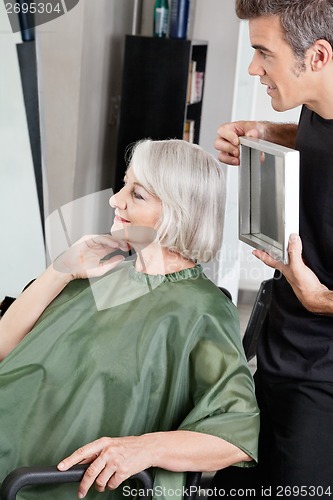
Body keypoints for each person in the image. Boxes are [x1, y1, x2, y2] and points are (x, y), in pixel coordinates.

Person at [0, 139, 259, 500]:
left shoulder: (200, 309)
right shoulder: (98, 271)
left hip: (42, 483)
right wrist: (58, 272)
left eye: (137, 195)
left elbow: (238, 434)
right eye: (124, 184)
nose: (115, 199)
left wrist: (144, 449)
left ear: (178, 212)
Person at [213, 0, 333, 497]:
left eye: (264, 53)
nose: (252, 67)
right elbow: (319, 140)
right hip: (278, 343)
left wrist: (322, 299)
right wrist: (265, 132)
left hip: (322, 381)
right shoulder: (316, 105)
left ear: (319, 57)